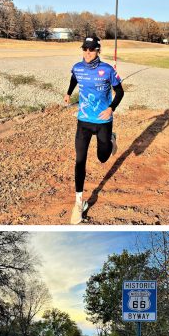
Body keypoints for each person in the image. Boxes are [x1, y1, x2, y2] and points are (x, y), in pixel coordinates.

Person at [64, 35, 124, 224]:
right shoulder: (77, 67)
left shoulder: (107, 70)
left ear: (98, 50)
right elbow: (74, 79)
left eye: (91, 49)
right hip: (83, 120)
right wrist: (68, 93)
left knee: (103, 158)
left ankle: (111, 139)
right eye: (85, 49)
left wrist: (111, 108)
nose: (87, 53)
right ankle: (78, 203)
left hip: (103, 122)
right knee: (80, 160)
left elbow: (120, 91)